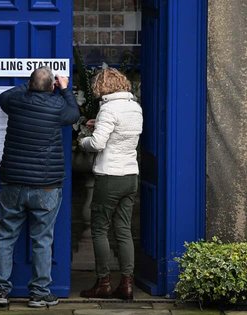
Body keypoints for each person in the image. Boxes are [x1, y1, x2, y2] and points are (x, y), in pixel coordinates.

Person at [0, 67, 80, 308]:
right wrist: (64, 89)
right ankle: (39, 293)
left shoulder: (16, 101)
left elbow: (4, 97)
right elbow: (74, 114)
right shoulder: (58, 106)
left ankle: (0, 290)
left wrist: (30, 84)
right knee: (42, 238)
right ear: (52, 86)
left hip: (13, 182)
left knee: (5, 235)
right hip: (46, 186)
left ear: (29, 84)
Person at [78, 68, 143, 300]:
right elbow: (121, 134)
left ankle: (103, 282)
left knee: (99, 229)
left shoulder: (108, 108)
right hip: (130, 175)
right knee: (123, 230)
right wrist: (101, 124)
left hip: (110, 177)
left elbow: (97, 144)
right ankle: (127, 284)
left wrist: (82, 140)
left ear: (102, 86)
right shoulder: (135, 107)